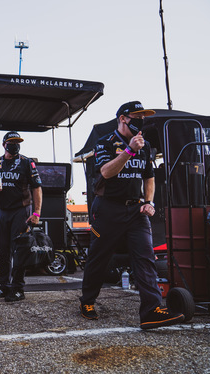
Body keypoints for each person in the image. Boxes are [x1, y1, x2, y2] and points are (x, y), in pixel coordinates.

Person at [79, 101, 184, 330]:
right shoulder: (105, 142)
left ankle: (151, 311)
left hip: (136, 210)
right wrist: (128, 151)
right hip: (107, 208)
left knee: (145, 258)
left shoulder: (145, 147)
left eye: (143, 117)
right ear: (122, 118)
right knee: (99, 257)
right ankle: (87, 301)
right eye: (136, 116)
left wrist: (149, 202)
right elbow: (106, 172)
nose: (140, 120)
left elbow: (149, 177)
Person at [0, 131, 42, 302]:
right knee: (2, 251)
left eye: (17, 142)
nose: (15, 145)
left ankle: (18, 288)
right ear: (4, 144)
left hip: (21, 211)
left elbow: (37, 188)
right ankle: (3, 287)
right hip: (3, 211)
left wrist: (36, 213)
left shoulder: (26, 162)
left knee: (20, 251)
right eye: (11, 142)